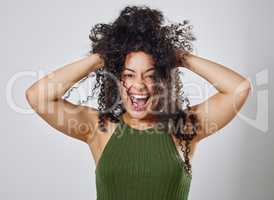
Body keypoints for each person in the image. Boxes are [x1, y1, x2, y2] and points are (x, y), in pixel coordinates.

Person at [25, 5, 251, 200]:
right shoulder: (99, 128)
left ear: (164, 80)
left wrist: (179, 57)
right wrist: (103, 57)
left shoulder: (184, 128)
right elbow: (37, 96)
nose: (139, 85)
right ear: (116, 79)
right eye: (129, 74)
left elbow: (239, 89)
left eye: (151, 75)